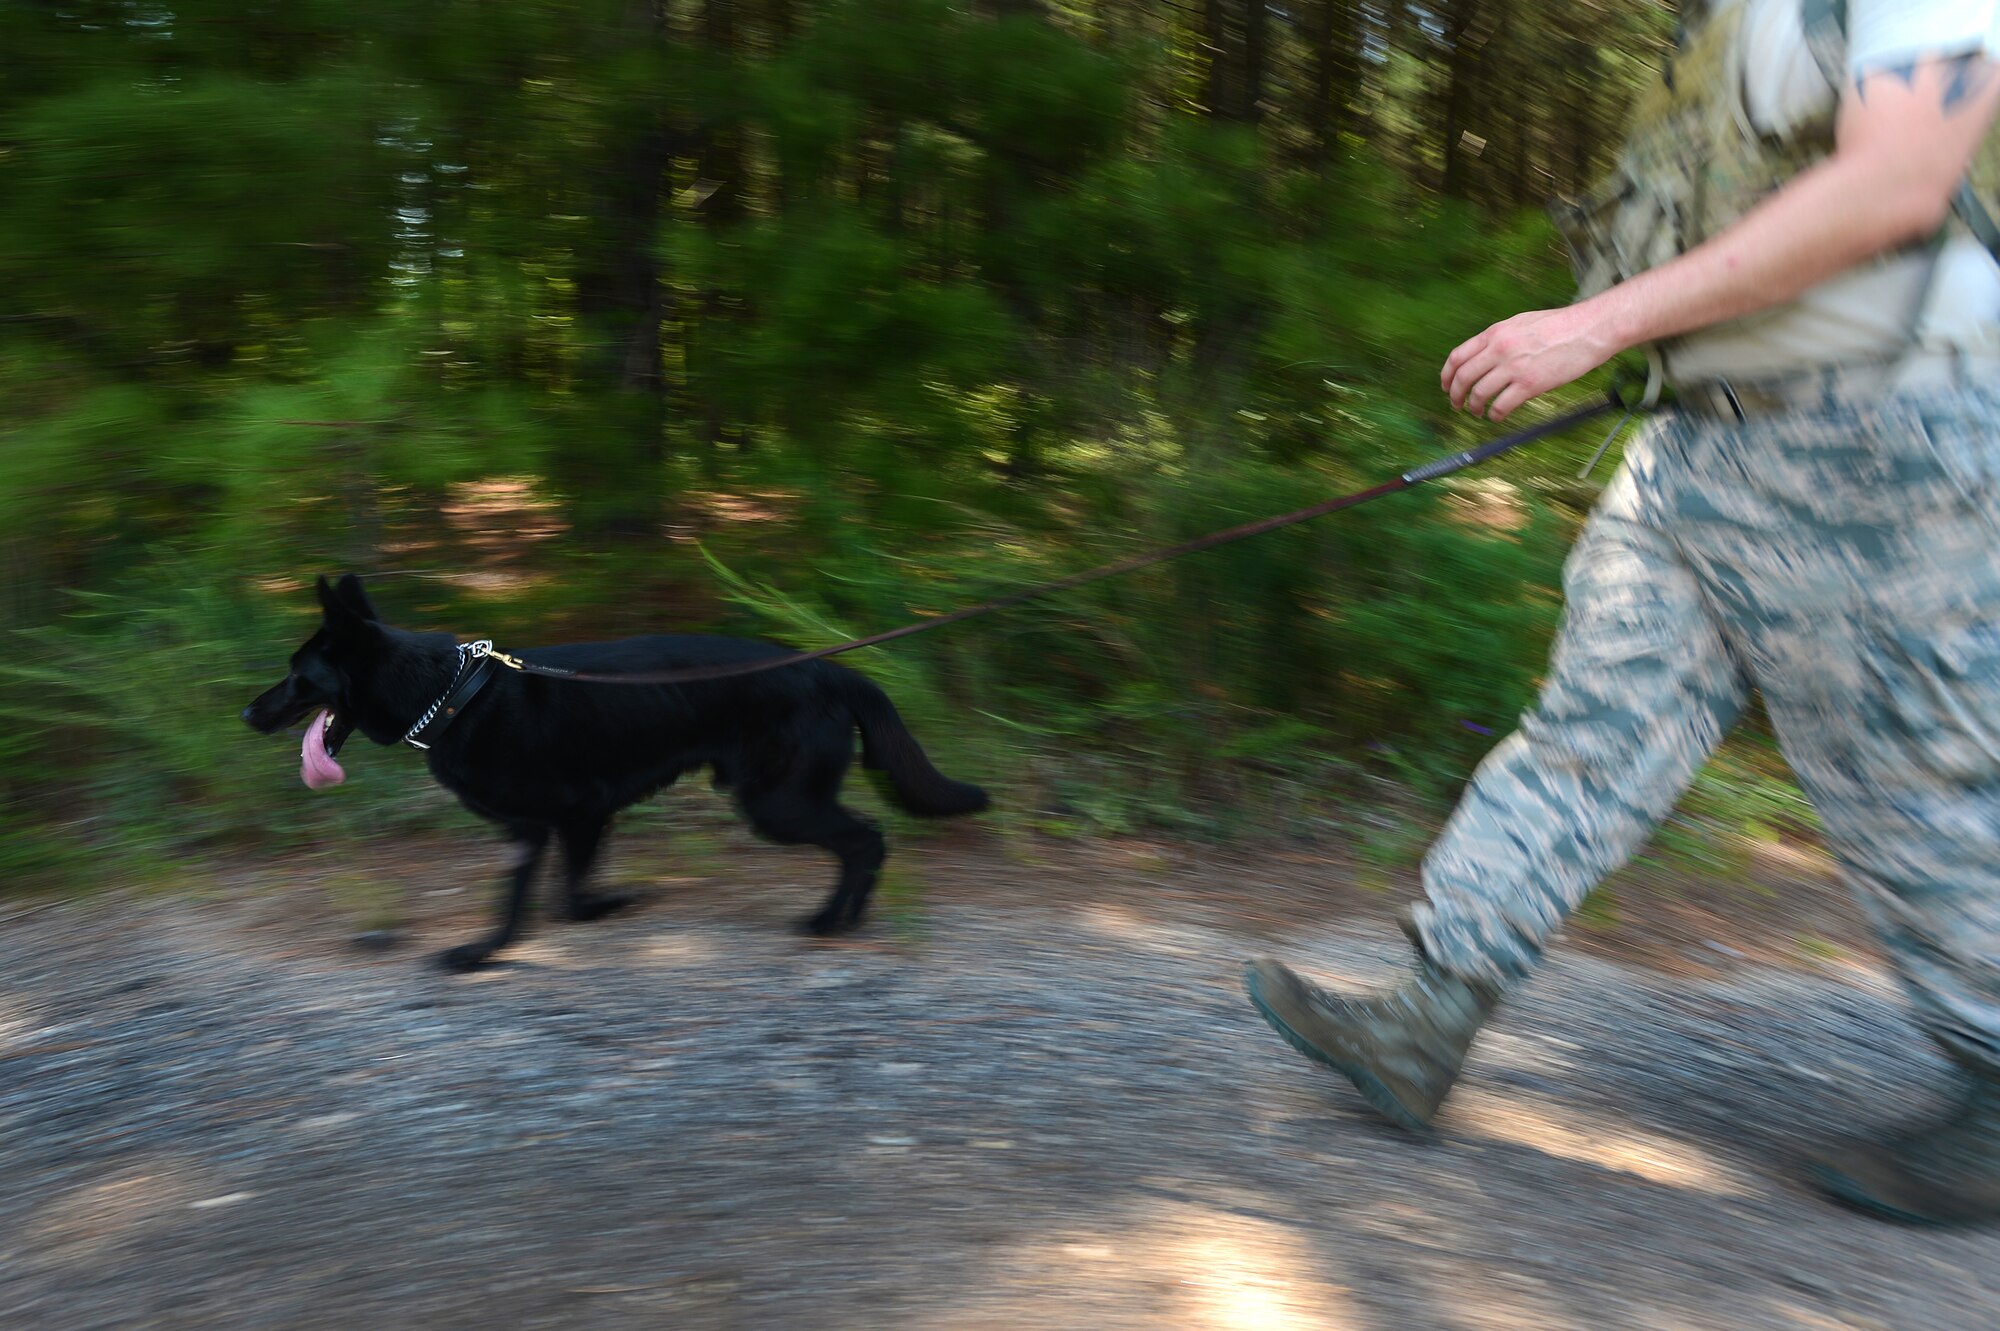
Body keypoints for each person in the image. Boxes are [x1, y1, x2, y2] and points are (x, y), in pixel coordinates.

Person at [1244, 0, 2000, 1227]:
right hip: (1706, 436)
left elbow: (1895, 186)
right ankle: (1429, 1008)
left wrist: (1594, 323)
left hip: (1884, 440)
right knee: (1592, 722)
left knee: (1909, 767)